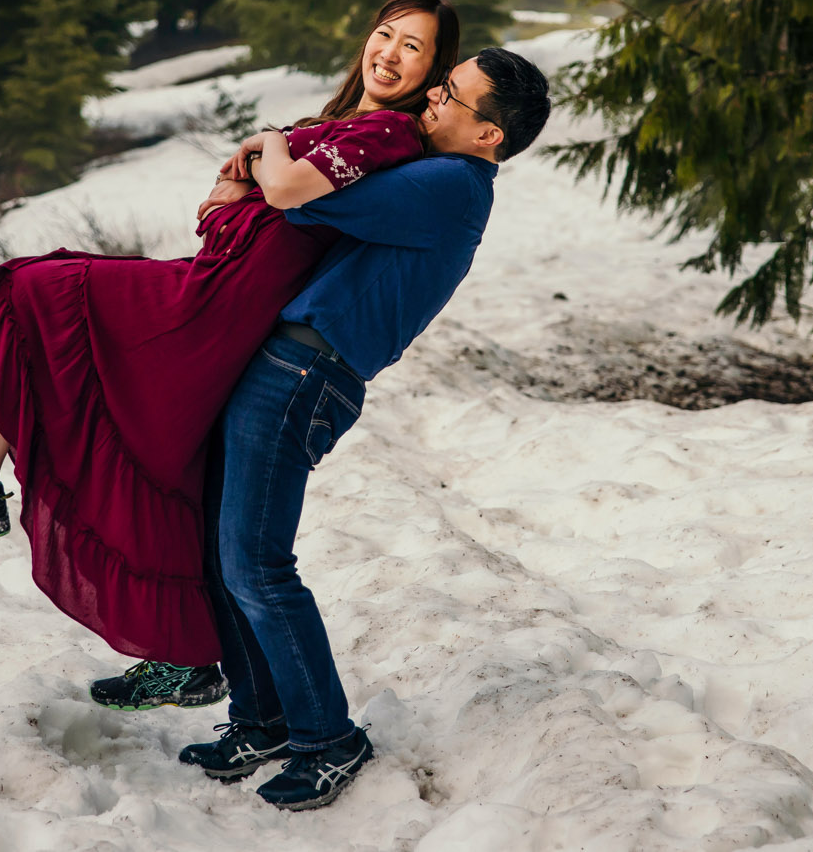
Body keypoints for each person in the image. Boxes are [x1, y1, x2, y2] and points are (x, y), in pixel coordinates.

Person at [0, 0, 461, 673]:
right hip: (214, 280)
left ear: (433, 70)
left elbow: (289, 190)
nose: (388, 53)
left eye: (412, 47)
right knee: (161, 460)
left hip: (215, 304)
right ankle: (179, 656)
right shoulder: (339, 124)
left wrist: (266, 147)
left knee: (27, 290)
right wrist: (232, 191)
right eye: (385, 34)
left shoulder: (387, 135)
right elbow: (242, 209)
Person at [169, 46, 552, 812]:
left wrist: (272, 143)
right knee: (227, 553)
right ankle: (262, 718)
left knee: (257, 564)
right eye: (442, 86)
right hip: (287, 361)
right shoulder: (436, 172)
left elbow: (290, 194)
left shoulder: (449, 183)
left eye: (452, 96)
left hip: (306, 375)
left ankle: (329, 740)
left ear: (490, 136)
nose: (433, 100)